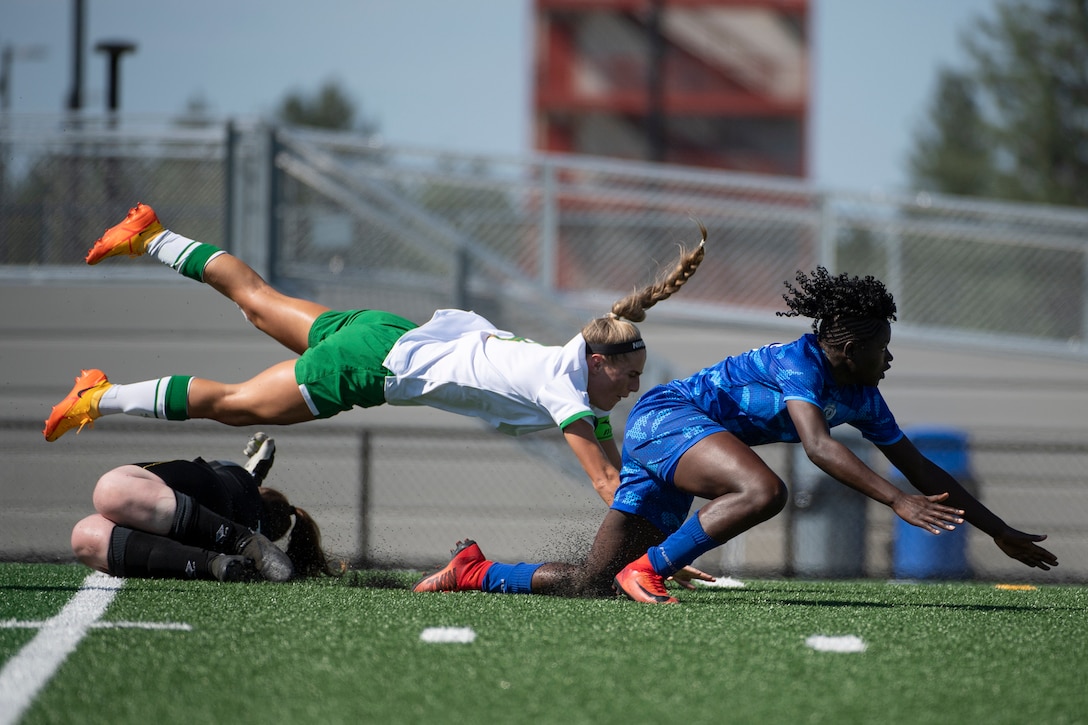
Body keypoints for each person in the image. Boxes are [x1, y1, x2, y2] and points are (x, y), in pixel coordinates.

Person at [413, 267, 1060, 602]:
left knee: (592, 581)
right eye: (881, 346)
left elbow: (922, 467)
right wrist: (894, 501)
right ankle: (652, 569)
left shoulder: (861, 394)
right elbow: (818, 445)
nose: (889, 358)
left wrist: (995, 527)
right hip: (667, 421)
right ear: (849, 344)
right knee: (763, 488)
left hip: (683, 443)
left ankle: (476, 571)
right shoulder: (801, 363)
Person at [43, 204, 706, 505]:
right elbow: (605, 483)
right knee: (239, 407)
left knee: (255, 300)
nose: (633, 389)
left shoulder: (566, 368)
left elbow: (612, 466)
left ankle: (150, 234)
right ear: (600, 361)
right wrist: (662, 551)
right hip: (372, 365)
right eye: (632, 376)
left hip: (385, 330)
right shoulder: (567, 391)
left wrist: (648, 522)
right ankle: (100, 397)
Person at [71, 432, 339, 582]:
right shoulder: (252, 507)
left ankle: (239, 539)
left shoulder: (240, 479)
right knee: (85, 538)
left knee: (110, 491)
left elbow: (251, 473)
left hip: (204, 491)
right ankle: (214, 564)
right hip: (197, 535)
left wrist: (259, 465)